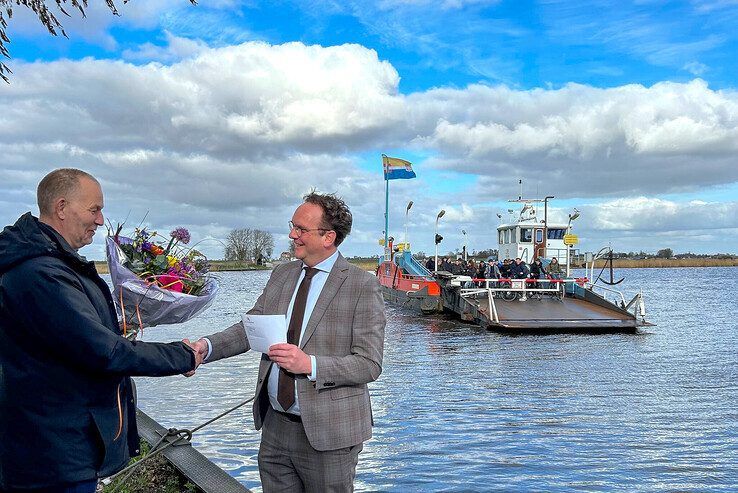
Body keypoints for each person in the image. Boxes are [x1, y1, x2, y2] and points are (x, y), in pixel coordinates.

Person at [0, 169, 203, 493]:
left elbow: (68, 334)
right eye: (94, 209)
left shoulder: (51, 262)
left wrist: (122, 322)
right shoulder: (41, 273)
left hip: (58, 443)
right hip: (54, 452)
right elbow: (102, 350)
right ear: (62, 207)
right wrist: (182, 356)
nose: (100, 220)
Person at [190, 191, 386, 493]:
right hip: (275, 427)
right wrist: (206, 347)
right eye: (292, 226)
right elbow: (249, 329)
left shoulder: (362, 285)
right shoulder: (282, 274)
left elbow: (369, 364)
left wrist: (310, 364)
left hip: (329, 435)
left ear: (328, 237)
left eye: (301, 229)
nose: (292, 234)